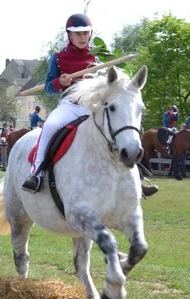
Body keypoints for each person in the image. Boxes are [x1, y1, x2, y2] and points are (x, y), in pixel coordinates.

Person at [21, 13, 159, 198]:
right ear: (69, 35)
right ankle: (36, 173)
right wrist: (59, 82)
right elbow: (48, 87)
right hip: (70, 105)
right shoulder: (58, 57)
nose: (82, 37)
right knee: (51, 126)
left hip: (93, 106)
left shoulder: (99, 57)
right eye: (77, 34)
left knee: (118, 129)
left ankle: (138, 179)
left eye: (85, 33)